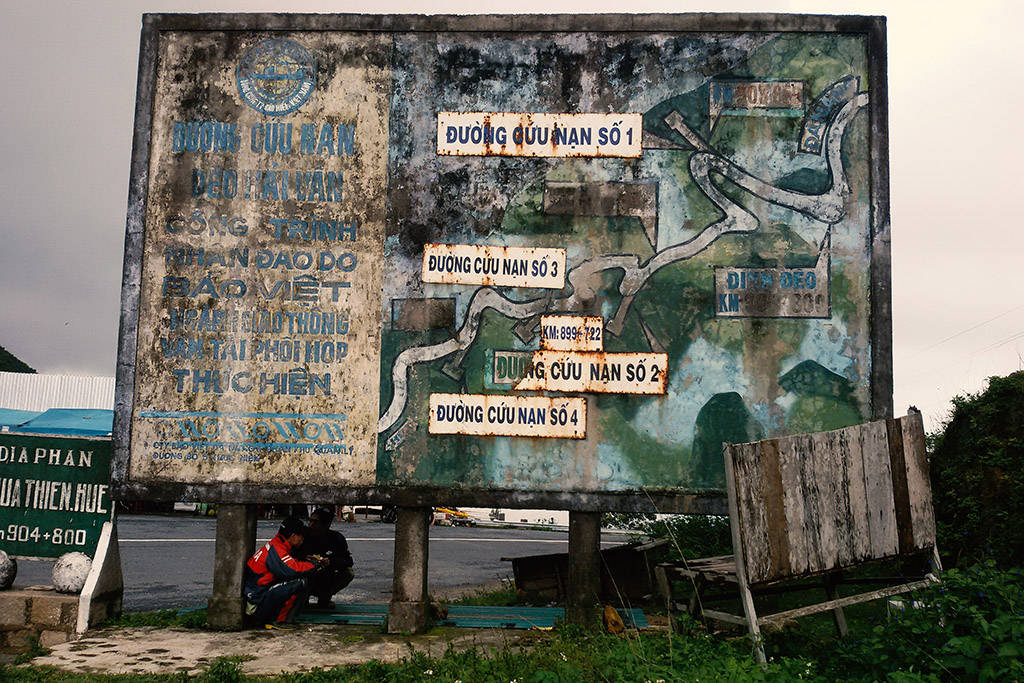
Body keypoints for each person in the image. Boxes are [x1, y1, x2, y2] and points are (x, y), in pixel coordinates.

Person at [243, 516, 324, 630]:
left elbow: (289, 565)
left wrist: (308, 565)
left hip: (259, 598)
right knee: (300, 582)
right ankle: (279, 620)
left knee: (304, 575)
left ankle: (284, 616)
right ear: (293, 536)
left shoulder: (277, 544)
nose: (302, 539)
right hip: (257, 606)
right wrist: (314, 565)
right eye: (302, 536)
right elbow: (292, 570)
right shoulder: (276, 549)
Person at [295, 506, 354, 608]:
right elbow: (289, 556)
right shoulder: (302, 536)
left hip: (326, 578)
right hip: (304, 576)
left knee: (348, 573)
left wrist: (330, 562)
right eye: (310, 521)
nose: (311, 525)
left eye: (316, 522)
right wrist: (304, 559)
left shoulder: (336, 539)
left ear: (326, 525)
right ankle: (301, 599)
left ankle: (325, 598)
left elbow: (348, 561)